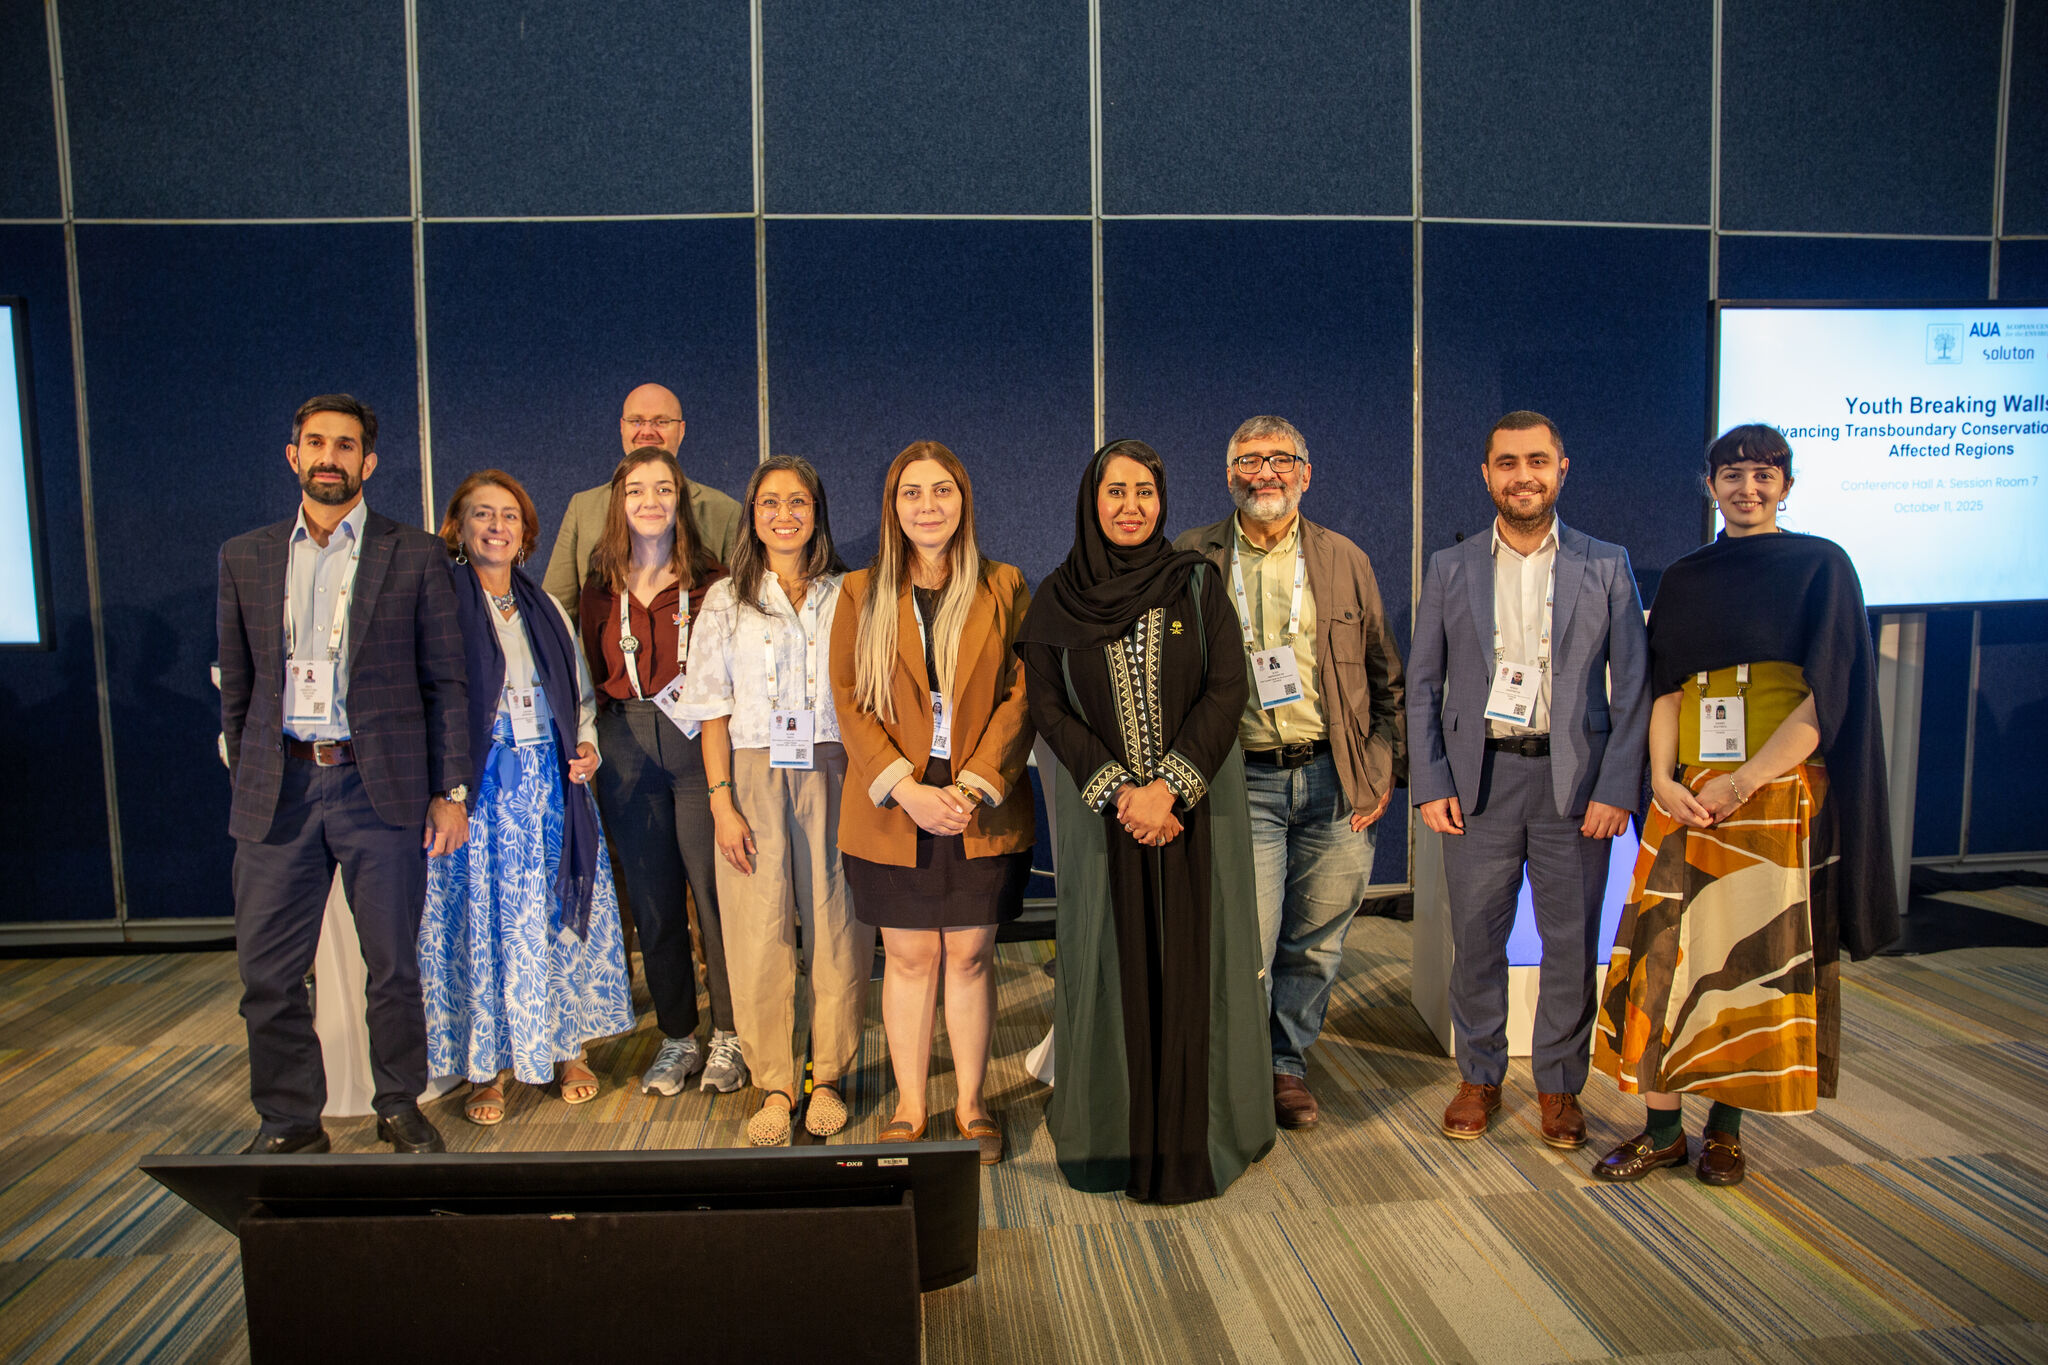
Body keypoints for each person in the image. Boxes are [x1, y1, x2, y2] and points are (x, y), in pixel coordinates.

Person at [1590, 424, 1898, 1186]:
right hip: (1687, 796)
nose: (1748, 488)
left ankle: (1725, 1131)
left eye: (1764, 474)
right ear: (1710, 486)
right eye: (1733, 474)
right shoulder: (1689, 577)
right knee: (1663, 961)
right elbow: (1665, 690)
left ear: (1787, 484)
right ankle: (1661, 1129)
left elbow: (1827, 702)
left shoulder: (1821, 566)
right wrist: (1662, 780)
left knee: (1747, 971)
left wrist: (1746, 779)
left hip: (1772, 798)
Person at [1017, 439, 1273, 1203]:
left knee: (1204, 961)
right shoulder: (1055, 599)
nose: (1131, 506)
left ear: (1163, 500)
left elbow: (1228, 688)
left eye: (1145, 492)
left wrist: (1169, 788)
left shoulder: (1196, 583)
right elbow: (1047, 706)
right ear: (1089, 501)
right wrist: (1118, 791)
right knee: (1105, 961)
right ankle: (1111, 1137)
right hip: (1105, 826)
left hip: (1192, 819)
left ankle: (1206, 1133)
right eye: (1115, 491)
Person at [217, 394, 470, 1154]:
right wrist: (253, 772)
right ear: (294, 455)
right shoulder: (246, 556)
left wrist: (451, 791)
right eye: (316, 443)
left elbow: (446, 683)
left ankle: (399, 1102)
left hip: (379, 787)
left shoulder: (416, 553)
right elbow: (238, 687)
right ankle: (291, 1122)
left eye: (346, 444)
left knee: (392, 967)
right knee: (268, 974)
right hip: (281, 791)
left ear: (369, 461)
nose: (331, 456)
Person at [1408, 410, 1650, 1150]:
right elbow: (1422, 684)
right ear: (1486, 474)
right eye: (1507, 463)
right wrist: (1429, 780)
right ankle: (1479, 1076)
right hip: (1479, 782)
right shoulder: (1450, 569)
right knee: (1476, 940)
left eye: (1536, 461)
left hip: (1573, 788)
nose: (1523, 476)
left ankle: (1558, 1087)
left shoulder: (1606, 564)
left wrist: (1617, 787)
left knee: (1571, 943)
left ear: (1561, 469)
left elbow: (1635, 688)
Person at [1176, 415, 1407, 1130]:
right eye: (1249, 459)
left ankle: (1285, 1063)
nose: (1265, 471)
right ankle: (1240, 1066)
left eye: (1282, 459)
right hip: (1242, 780)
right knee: (1246, 936)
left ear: (1306, 473)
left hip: (1335, 781)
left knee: (1317, 939)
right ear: (1228, 475)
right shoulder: (1191, 556)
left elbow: (1385, 680)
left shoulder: (1345, 559)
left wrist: (1379, 769)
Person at [827, 442, 1036, 1164]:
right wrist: (909, 790)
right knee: (911, 955)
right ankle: (912, 1107)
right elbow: (849, 700)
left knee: (972, 954)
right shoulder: (860, 590)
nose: (927, 505)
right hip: (894, 806)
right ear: (893, 505)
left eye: (941, 491)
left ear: (963, 500)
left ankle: (972, 1104)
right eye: (912, 492)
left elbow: (1023, 692)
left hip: (980, 803)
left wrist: (974, 783)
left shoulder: (1006, 584)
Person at [419, 471, 632, 1124]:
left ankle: (567, 1047)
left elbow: (580, 694)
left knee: (555, 919)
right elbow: (425, 700)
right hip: (478, 794)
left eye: (509, 516)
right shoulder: (438, 605)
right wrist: (440, 789)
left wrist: (588, 745)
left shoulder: (544, 606)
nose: (497, 526)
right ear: (456, 526)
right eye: (482, 514)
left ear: (525, 532)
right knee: (487, 926)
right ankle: (490, 1065)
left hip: (550, 791)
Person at [680, 456, 869, 1146]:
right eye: (769, 502)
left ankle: (829, 1076)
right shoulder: (726, 599)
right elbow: (710, 711)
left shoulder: (849, 592)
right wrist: (722, 801)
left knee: (836, 921)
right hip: (751, 775)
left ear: (817, 512)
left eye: (798, 501)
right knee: (757, 928)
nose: (784, 513)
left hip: (832, 768)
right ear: (751, 515)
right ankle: (776, 1080)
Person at [577, 448, 744, 1095]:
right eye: (637, 490)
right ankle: (679, 1035)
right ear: (620, 502)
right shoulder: (600, 582)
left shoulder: (713, 580)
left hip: (699, 743)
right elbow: (590, 670)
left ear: (681, 499)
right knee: (652, 902)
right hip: (625, 743)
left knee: (715, 894)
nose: (650, 500)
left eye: (663, 488)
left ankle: (730, 1031)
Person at [544, 382, 743, 616]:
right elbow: (557, 611)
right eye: (636, 421)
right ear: (622, 427)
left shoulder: (724, 511)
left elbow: (741, 609)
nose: (647, 431)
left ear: (681, 430)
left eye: (661, 421)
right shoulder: (583, 507)